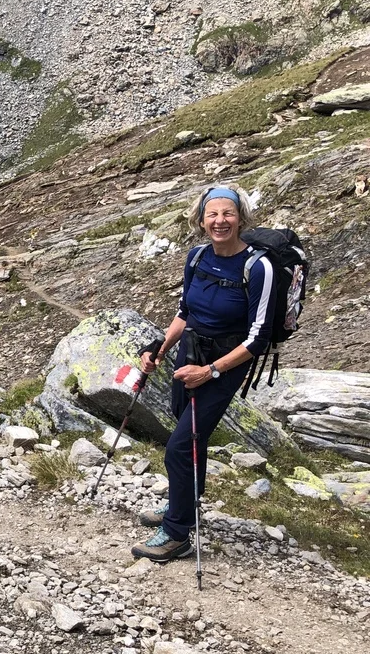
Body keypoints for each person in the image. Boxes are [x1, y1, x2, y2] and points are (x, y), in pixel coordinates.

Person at [132, 185, 275, 562]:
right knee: (187, 433)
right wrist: (160, 348)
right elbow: (185, 311)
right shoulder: (197, 257)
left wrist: (209, 372)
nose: (220, 221)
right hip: (190, 353)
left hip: (225, 365)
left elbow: (258, 339)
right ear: (201, 220)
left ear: (241, 218)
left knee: (180, 446)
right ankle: (185, 504)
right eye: (212, 214)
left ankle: (176, 535)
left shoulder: (258, 267)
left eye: (228, 213)